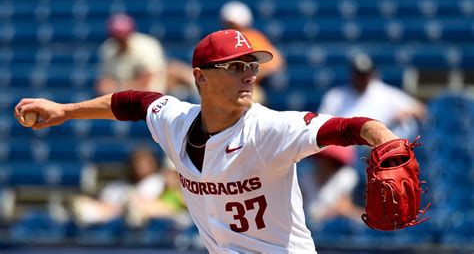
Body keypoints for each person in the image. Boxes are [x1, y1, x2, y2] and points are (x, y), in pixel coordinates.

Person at [16, 29, 406, 253]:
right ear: (200, 77)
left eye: (252, 66)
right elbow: (132, 101)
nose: (249, 74)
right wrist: (65, 110)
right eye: (236, 67)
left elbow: (347, 126)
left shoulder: (269, 130)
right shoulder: (175, 120)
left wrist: (383, 138)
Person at [318, 52, 427, 139]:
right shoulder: (336, 97)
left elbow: (420, 110)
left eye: (365, 74)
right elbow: (320, 128)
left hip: (379, 150)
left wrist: (404, 113)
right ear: (352, 74)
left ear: (372, 74)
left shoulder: (384, 92)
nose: (362, 78)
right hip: (347, 151)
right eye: (359, 74)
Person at [70, 146, 165, 226]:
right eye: (137, 163)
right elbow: (105, 202)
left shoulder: (158, 182)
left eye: (145, 163)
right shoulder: (117, 187)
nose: (140, 167)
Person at [220, 1, 286, 104]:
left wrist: (246, 74)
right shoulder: (220, 40)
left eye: (233, 24)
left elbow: (275, 62)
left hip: (250, 88)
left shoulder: (252, 38)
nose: (230, 27)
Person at [95, 13, 167, 95]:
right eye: (116, 35)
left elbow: (145, 83)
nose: (120, 39)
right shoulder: (108, 48)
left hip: (148, 99)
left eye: (122, 35)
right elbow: (103, 84)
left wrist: (117, 87)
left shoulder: (146, 46)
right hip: (120, 100)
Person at [300, 145, 364, 225]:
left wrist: (322, 216)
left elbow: (344, 206)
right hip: (309, 224)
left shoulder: (345, 176)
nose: (324, 163)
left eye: (328, 160)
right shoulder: (306, 177)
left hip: (335, 225)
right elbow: (300, 205)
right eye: (322, 159)